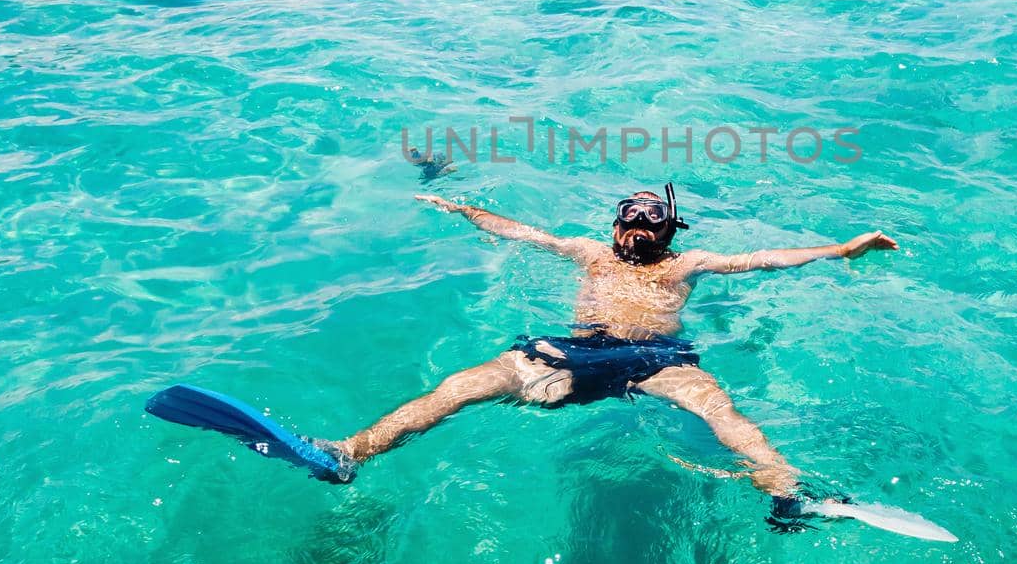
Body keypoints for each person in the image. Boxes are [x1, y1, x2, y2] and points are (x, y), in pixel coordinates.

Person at [318, 184, 898, 512]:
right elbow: (522, 231)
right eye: (631, 217)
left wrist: (841, 250)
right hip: (575, 350)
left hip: (658, 359)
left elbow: (763, 257)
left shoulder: (687, 264)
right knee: (463, 386)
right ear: (616, 224)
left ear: (670, 230)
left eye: (654, 220)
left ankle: (785, 490)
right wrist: (465, 210)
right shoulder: (588, 253)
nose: (640, 227)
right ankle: (352, 452)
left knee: (722, 413)